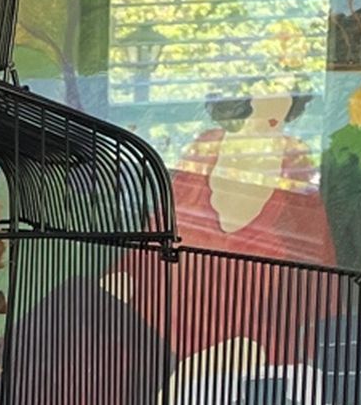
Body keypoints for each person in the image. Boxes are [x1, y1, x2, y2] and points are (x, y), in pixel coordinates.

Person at [112, 87, 338, 364]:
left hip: (249, 354)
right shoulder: (203, 151)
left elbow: (319, 275)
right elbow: (156, 235)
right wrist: (122, 279)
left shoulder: (296, 165)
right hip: (162, 333)